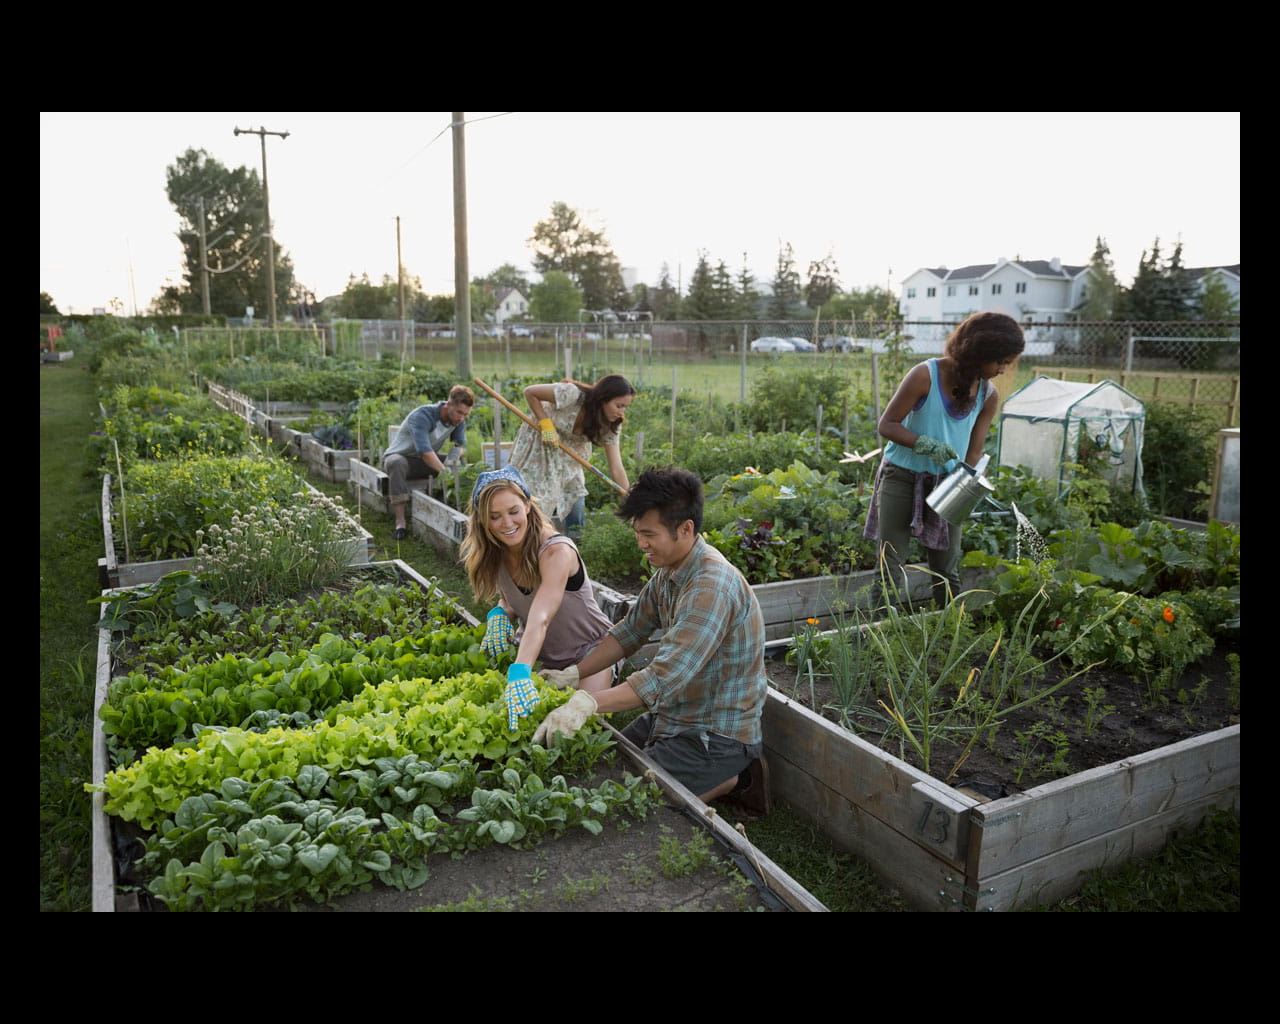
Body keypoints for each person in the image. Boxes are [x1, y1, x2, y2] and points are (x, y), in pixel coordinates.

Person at [532, 467, 771, 814]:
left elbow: (662, 678)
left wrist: (587, 702)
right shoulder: (670, 571)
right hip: (674, 714)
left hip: (714, 734)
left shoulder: (710, 587)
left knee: (625, 801)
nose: (641, 543)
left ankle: (733, 776)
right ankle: (721, 779)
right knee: (603, 762)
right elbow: (629, 633)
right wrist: (573, 673)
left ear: (685, 529)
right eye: (637, 533)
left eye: (649, 534)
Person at [865, 311, 1026, 606]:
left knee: (946, 567)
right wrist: (924, 444)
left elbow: (974, 451)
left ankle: (950, 628)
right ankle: (878, 635)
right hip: (901, 476)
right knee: (891, 563)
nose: (1004, 369)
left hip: (948, 483)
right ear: (979, 353)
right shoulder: (925, 375)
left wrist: (967, 480)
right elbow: (886, 425)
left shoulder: (987, 395)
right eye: (1001, 361)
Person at [459, 465, 617, 731]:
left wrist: (520, 672)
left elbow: (541, 616)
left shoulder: (556, 551)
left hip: (591, 652)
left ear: (528, 506)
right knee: (514, 722)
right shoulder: (496, 551)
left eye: (513, 511)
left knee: (576, 724)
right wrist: (500, 614)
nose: (507, 524)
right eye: (495, 517)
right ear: (482, 521)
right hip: (544, 657)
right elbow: (513, 598)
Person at [508, 375, 635, 541]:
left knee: (575, 497)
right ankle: (531, 542)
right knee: (537, 498)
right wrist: (545, 423)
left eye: (625, 407)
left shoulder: (610, 426)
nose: (621, 412)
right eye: (619, 405)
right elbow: (530, 392)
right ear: (603, 399)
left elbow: (616, 467)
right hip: (541, 443)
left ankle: (575, 545)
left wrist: (628, 496)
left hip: (569, 456)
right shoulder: (573, 394)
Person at [383, 385, 475, 540]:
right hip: (403, 458)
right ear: (449, 404)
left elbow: (461, 445)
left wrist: (454, 459)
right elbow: (425, 452)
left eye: (465, 414)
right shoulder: (423, 416)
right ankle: (400, 522)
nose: (461, 417)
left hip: (424, 461)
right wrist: (447, 473)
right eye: (459, 412)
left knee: (463, 468)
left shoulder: (458, 421)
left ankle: (462, 510)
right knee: (396, 463)